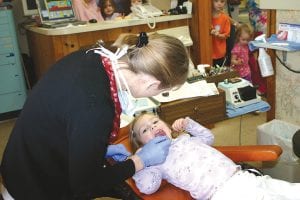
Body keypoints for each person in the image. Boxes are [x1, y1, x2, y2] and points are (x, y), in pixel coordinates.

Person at [0, 32, 190, 199]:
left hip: (23, 161)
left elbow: (64, 118)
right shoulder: (96, 108)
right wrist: (140, 161)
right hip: (32, 187)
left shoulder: (92, 55)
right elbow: (85, 186)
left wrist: (95, 149)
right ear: (153, 85)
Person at [130, 112, 300, 200]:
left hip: (244, 177)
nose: (152, 127)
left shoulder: (184, 139)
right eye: (145, 130)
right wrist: (142, 160)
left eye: (155, 121)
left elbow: (208, 138)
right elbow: (147, 187)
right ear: (142, 144)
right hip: (223, 193)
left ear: (166, 125)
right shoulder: (155, 163)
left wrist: (189, 124)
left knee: (290, 191)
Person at [211, 0, 231, 67]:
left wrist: (218, 35)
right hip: (208, 52)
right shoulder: (207, 16)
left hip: (219, 53)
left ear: (224, 3)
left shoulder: (225, 18)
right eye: (216, 1)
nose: (219, 4)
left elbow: (226, 35)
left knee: (218, 74)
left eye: (222, 1)